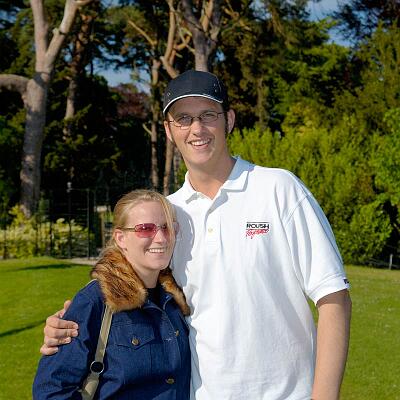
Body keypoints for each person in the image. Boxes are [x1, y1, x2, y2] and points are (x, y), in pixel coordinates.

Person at [41, 70, 352, 400]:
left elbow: (334, 298)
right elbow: (117, 284)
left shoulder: (279, 188)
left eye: (208, 115)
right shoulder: (167, 217)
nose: (197, 129)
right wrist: (71, 323)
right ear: (169, 130)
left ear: (229, 120)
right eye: (184, 119)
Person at [33, 189, 191, 399]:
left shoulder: (175, 297)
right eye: (146, 229)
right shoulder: (96, 301)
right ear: (121, 238)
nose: (161, 238)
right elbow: (51, 390)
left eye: (167, 227)